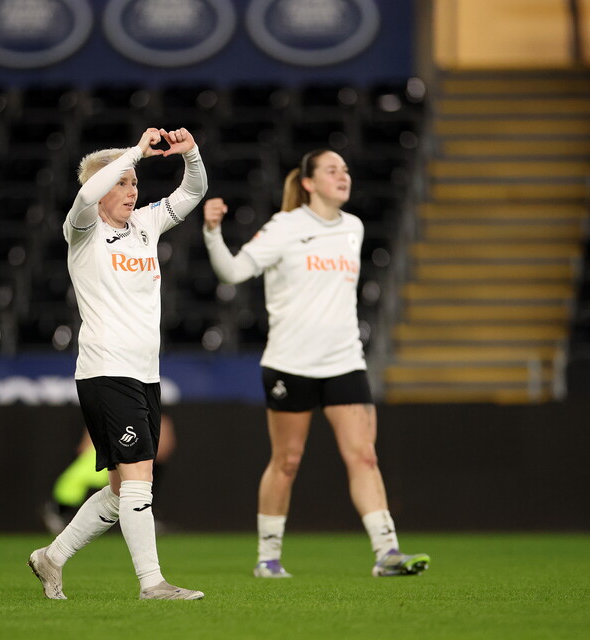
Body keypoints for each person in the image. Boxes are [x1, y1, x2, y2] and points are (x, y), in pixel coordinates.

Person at [202, 149, 430, 578]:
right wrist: (213, 233)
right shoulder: (285, 227)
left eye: (346, 169)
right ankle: (268, 559)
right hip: (290, 363)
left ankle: (387, 553)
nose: (343, 175)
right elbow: (232, 273)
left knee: (364, 457)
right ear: (308, 182)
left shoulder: (354, 228)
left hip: (345, 361)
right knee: (286, 461)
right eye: (332, 170)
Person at [28, 126, 207, 601]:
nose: (132, 190)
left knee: (117, 489)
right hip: (107, 370)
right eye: (122, 183)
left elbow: (194, 190)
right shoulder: (83, 230)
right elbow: (86, 190)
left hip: (145, 373)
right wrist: (134, 153)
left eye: (134, 183)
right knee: (139, 476)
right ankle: (152, 583)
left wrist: (190, 156)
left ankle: (53, 557)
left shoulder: (146, 225)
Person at [41, 414, 177, 535]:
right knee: (81, 481)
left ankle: (145, 516)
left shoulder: (149, 410)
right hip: (110, 450)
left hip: (127, 451)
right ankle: (60, 510)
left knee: (133, 485)